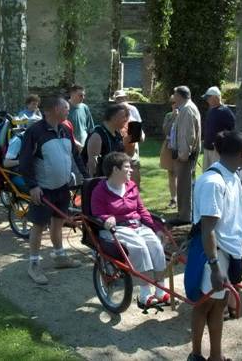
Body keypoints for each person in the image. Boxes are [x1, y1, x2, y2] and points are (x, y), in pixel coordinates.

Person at [187, 131, 242, 361]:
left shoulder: (233, 178)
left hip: (229, 253)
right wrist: (215, 266)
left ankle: (215, 356)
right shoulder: (213, 182)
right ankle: (196, 355)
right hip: (214, 254)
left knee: (218, 307)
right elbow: (207, 229)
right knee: (203, 305)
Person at [19, 97, 88, 284]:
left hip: (62, 188)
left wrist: (86, 176)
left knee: (58, 223)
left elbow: (75, 155)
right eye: (65, 108)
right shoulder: (35, 132)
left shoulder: (65, 130)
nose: (68, 110)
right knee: (39, 226)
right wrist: (32, 186)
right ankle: (33, 265)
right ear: (54, 109)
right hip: (43, 189)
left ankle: (60, 257)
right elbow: (24, 161)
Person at [91, 152, 168, 308]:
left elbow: (142, 210)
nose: (131, 170)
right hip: (116, 228)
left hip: (137, 225)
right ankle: (144, 294)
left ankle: (160, 290)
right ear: (115, 170)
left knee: (156, 246)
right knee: (140, 247)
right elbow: (97, 213)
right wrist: (106, 219)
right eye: (127, 167)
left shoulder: (131, 186)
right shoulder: (100, 191)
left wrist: (155, 228)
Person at [171, 85, 201, 224]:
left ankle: (185, 217)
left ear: (180, 96)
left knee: (184, 185)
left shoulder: (187, 109)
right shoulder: (186, 108)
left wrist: (183, 154)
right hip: (185, 154)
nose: (173, 98)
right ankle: (184, 214)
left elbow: (187, 134)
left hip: (185, 155)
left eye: (175, 95)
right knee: (184, 184)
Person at [82, 103, 128, 177]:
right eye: (123, 116)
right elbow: (92, 165)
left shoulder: (117, 134)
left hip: (114, 179)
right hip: (101, 181)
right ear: (113, 117)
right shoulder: (97, 135)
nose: (126, 120)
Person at [114, 89, 145, 187]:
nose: (121, 100)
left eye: (122, 98)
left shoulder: (133, 109)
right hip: (120, 143)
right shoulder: (114, 112)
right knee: (121, 168)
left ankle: (135, 190)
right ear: (115, 100)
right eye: (118, 99)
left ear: (126, 98)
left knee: (134, 166)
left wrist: (141, 135)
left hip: (133, 143)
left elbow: (138, 125)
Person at [202, 86, 235, 171]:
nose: (207, 100)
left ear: (216, 97)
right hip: (207, 148)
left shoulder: (225, 112)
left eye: (208, 98)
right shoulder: (211, 110)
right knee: (206, 173)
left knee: (216, 173)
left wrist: (220, 144)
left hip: (217, 151)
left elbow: (231, 131)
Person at [159, 95, 178, 209]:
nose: (174, 105)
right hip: (169, 146)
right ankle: (173, 198)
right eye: (172, 103)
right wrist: (172, 118)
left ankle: (183, 198)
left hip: (180, 147)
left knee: (182, 173)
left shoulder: (185, 115)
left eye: (176, 102)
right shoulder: (168, 115)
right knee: (171, 173)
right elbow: (165, 130)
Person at [67, 85, 95, 150]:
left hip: (84, 145)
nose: (83, 98)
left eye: (84, 95)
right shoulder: (64, 108)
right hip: (69, 145)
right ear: (72, 94)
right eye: (80, 95)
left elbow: (90, 128)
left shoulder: (85, 107)